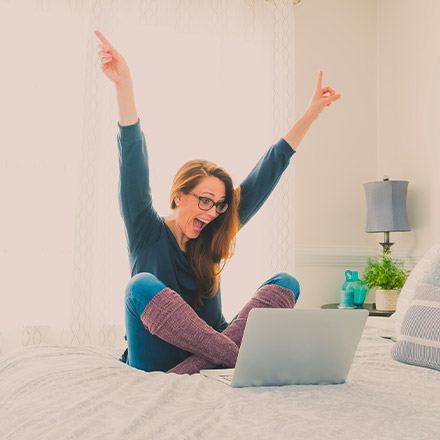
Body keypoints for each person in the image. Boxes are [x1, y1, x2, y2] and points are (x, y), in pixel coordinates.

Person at [95, 30, 341, 375]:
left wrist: (311, 114)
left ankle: (208, 360)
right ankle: (235, 358)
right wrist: (125, 85)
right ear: (179, 195)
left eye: (220, 205)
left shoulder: (214, 232)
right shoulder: (145, 229)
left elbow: (267, 170)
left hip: (212, 349)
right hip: (155, 356)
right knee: (140, 286)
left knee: (286, 283)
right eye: (205, 201)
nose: (212, 213)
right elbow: (132, 157)